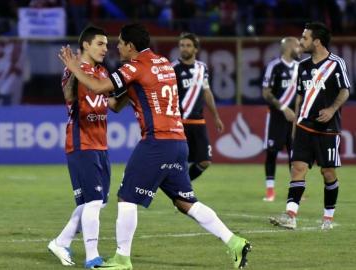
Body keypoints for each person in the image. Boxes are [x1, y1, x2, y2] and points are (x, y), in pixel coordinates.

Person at [59, 23, 251, 269]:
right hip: (178, 141)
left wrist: (74, 67)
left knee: (126, 198)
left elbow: (97, 87)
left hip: (157, 141)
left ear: (130, 46)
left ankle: (122, 259)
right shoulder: (163, 63)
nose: (116, 47)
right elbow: (117, 104)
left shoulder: (134, 66)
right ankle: (234, 241)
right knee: (186, 202)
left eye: (119, 43)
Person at [47, 26, 127, 268]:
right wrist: (72, 70)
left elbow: (113, 105)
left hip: (100, 143)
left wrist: (130, 91)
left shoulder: (101, 72)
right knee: (92, 202)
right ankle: (92, 257)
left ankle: (61, 242)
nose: (106, 48)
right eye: (100, 44)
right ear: (86, 46)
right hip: (81, 142)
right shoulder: (73, 70)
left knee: (96, 203)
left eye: (106, 44)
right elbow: (69, 97)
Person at [269, 22, 350, 230]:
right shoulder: (302, 66)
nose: (301, 42)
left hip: (328, 129)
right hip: (305, 126)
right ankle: (290, 215)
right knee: (297, 168)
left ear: (317, 41)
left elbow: (345, 91)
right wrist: (296, 123)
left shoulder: (336, 63)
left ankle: (328, 218)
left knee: (328, 173)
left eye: (304, 38)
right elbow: (300, 96)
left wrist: (332, 110)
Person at [172, 32, 224, 182]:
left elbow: (206, 92)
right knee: (176, 163)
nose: (184, 49)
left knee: (205, 161)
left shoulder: (203, 68)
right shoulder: (173, 68)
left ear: (196, 49)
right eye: (182, 45)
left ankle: (182, 187)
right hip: (179, 123)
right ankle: (181, 192)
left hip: (198, 122)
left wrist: (216, 117)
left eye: (188, 45)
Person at [261, 37, 301, 202]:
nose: (300, 49)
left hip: (295, 118)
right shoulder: (274, 67)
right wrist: (284, 108)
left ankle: (296, 188)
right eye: (297, 46)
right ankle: (270, 190)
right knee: (272, 153)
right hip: (276, 117)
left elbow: (301, 94)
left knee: (295, 154)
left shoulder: (301, 68)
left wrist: (298, 113)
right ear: (289, 47)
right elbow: (266, 92)